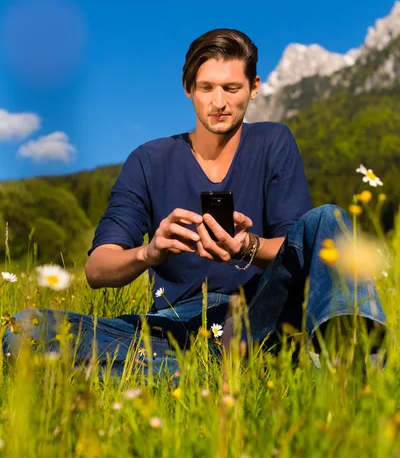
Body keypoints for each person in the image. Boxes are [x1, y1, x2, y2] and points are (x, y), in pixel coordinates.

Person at [3, 29, 386, 376]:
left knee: (329, 219)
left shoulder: (273, 141)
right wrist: (149, 252)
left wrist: (247, 246)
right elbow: (96, 269)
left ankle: (351, 371)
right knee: (26, 329)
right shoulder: (148, 160)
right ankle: (204, 376)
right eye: (206, 88)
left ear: (254, 88)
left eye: (232, 89)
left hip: (260, 316)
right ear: (188, 88)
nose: (219, 102)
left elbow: (300, 247)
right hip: (172, 327)